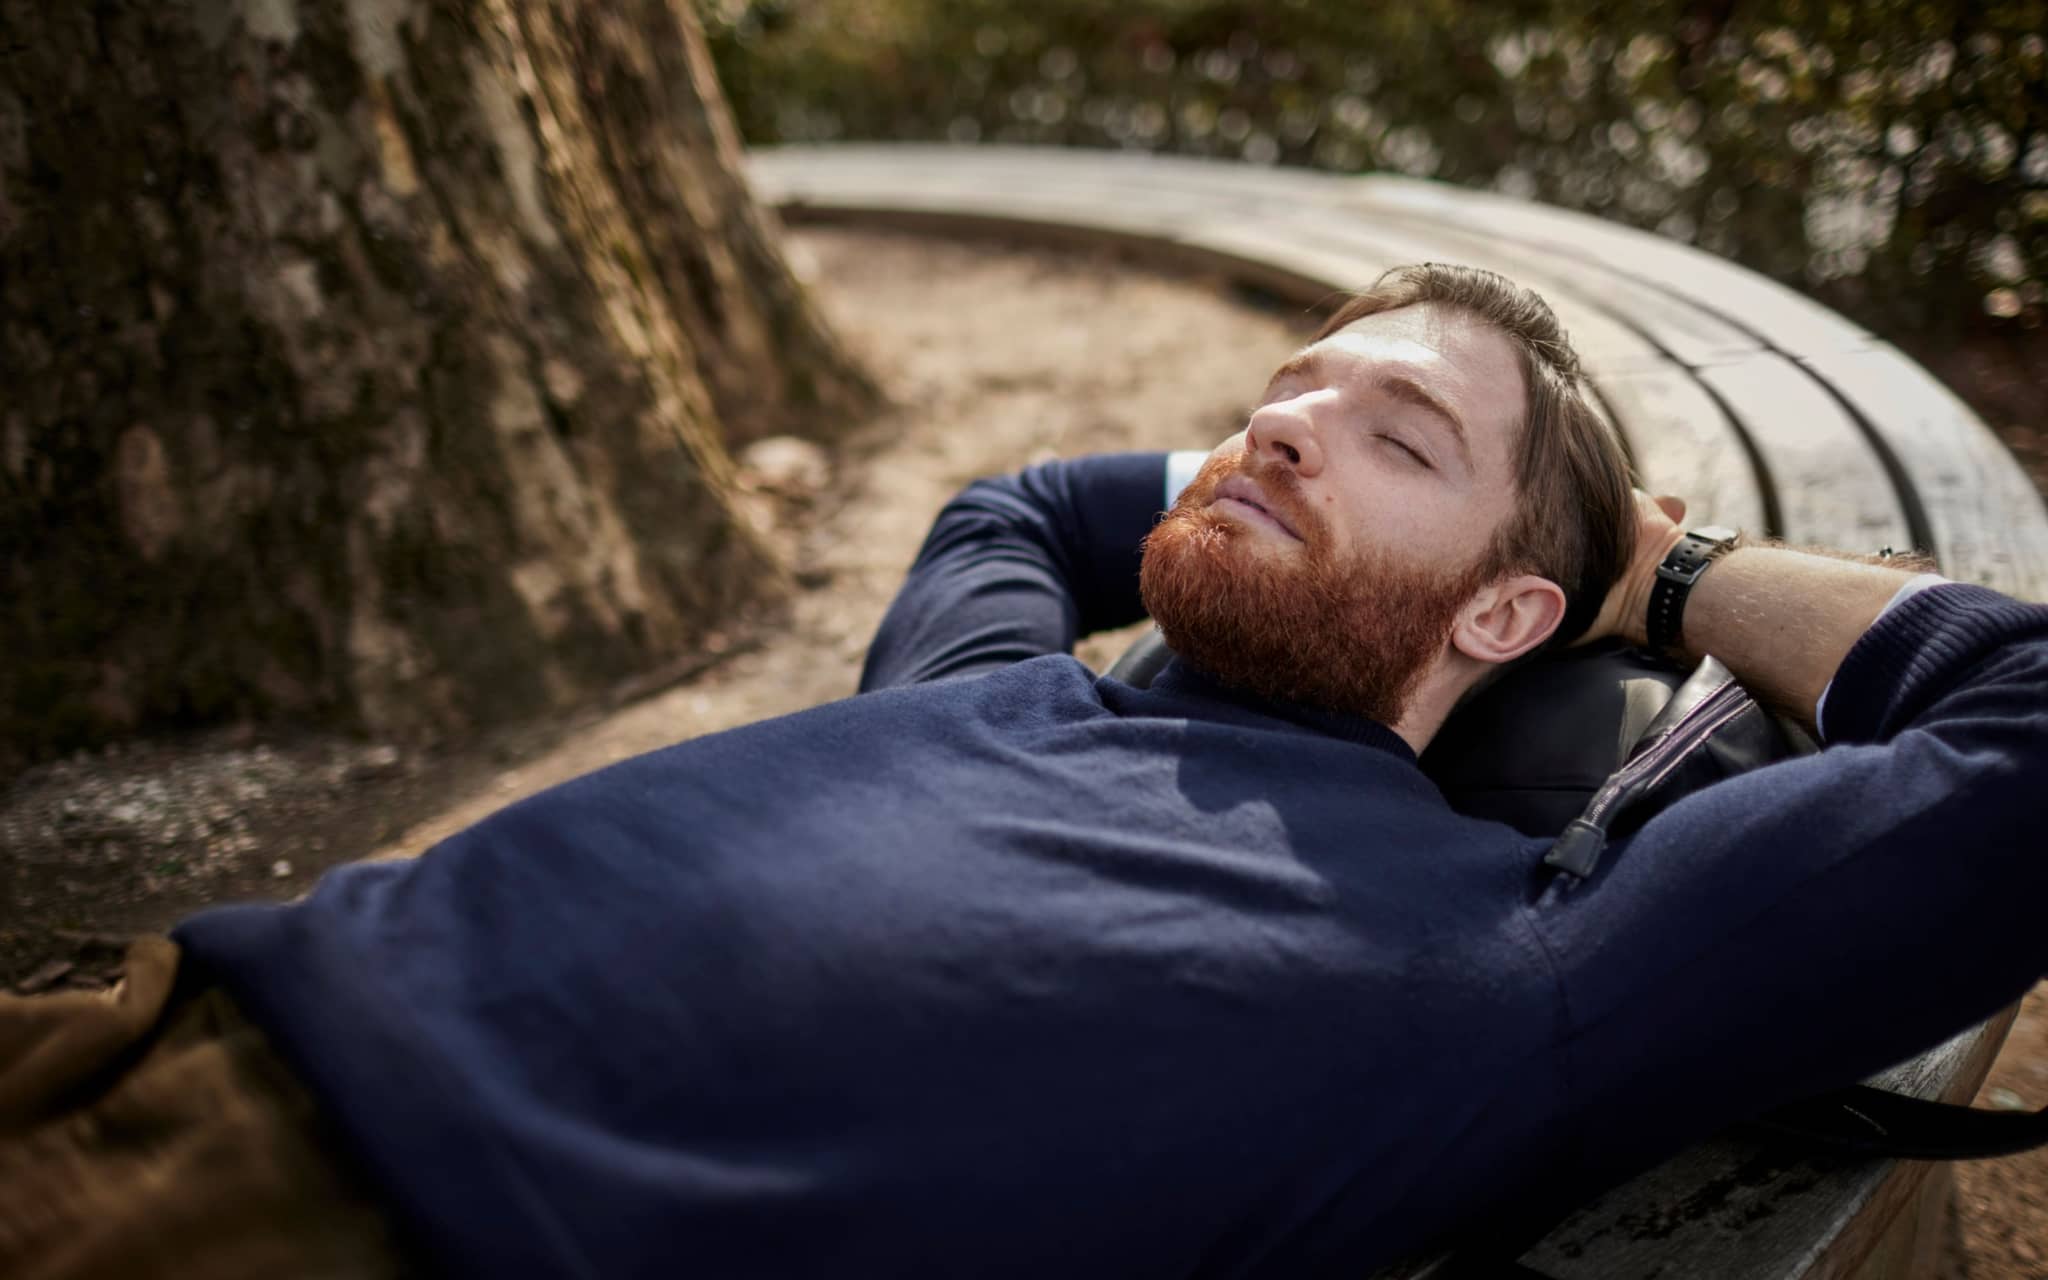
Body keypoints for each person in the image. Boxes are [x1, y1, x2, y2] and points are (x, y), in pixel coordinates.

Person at [3, 263, 2044, 1279]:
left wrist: (1661, 572)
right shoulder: (983, 689)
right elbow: (1020, 508)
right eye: (1283, 391)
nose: (1283, 426)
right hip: (133, 1007)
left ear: (1508, 615)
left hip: (328, 1215)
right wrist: (1310, 474)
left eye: (1392, 437)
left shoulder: (1503, 962)